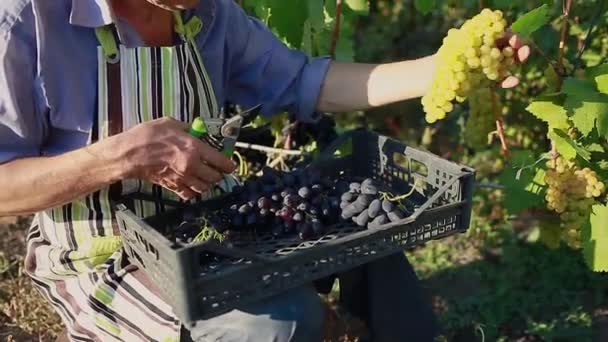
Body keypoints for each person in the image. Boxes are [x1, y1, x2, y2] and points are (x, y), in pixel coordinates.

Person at [0, 0, 529, 341]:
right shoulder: (29, 21)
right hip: (108, 255)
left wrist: (445, 70)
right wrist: (115, 158)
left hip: (221, 225)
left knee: (377, 247)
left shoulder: (208, 14)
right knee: (283, 323)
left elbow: (308, 82)